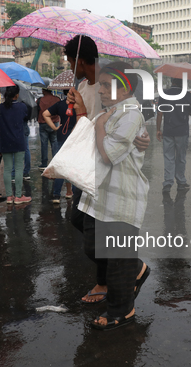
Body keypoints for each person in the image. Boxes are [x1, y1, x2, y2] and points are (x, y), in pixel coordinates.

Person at [64, 35, 151, 304]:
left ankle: (107, 284)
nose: (69, 67)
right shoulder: (81, 85)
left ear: (81, 60)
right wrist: (73, 106)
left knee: (96, 226)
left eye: (70, 61)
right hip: (88, 161)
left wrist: (141, 137)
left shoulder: (110, 83)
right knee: (81, 220)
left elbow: (124, 118)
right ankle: (127, 270)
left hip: (104, 167)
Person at [156, 77, 191, 193]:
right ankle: (181, 182)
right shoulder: (188, 95)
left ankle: (168, 183)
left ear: (172, 81)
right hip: (182, 132)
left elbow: (160, 113)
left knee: (169, 157)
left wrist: (158, 130)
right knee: (181, 158)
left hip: (168, 131)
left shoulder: (164, 94)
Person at [0, 85, 31, 205]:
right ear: (16, 95)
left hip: (5, 141)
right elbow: (26, 117)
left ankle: (9, 197)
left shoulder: (0, 108)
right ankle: (18, 196)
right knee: (18, 169)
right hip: (18, 141)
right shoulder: (22, 106)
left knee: (7, 169)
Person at [42, 96, 75, 203]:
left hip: (62, 136)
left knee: (61, 165)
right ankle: (72, 193)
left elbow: (45, 114)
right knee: (73, 166)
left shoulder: (60, 104)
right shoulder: (80, 105)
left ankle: (56, 194)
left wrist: (55, 128)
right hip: (76, 136)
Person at [37, 88, 60, 170]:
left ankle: (44, 164)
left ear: (44, 91)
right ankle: (55, 163)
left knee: (44, 144)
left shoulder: (40, 100)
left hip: (43, 123)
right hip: (55, 123)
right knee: (54, 143)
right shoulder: (57, 99)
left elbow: (37, 110)